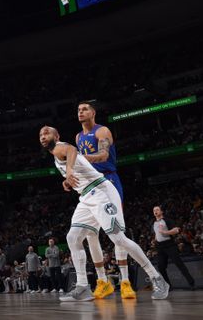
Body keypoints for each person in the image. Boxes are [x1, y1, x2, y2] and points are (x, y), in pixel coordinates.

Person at [37, 126, 169, 302]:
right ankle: (83, 287)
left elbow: (71, 149)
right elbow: (76, 163)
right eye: (40, 135)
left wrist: (68, 171)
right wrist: (69, 181)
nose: (43, 136)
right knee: (73, 237)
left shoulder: (60, 147)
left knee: (118, 239)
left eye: (47, 133)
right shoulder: (55, 155)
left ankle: (157, 278)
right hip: (85, 196)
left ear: (57, 136)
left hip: (100, 191)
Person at [75, 102, 135, 299]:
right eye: (78, 110)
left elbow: (103, 155)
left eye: (84, 109)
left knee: (117, 230)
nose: (81, 112)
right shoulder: (78, 137)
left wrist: (80, 158)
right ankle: (103, 281)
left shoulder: (102, 131)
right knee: (91, 234)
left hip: (108, 181)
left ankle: (125, 282)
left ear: (93, 112)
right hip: (90, 186)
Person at [152, 205, 196, 289]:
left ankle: (192, 283)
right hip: (160, 247)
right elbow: (157, 233)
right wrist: (155, 240)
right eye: (154, 210)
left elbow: (176, 230)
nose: (155, 211)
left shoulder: (167, 220)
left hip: (170, 245)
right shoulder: (154, 223)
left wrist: (165, 232)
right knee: (161, 267)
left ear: (161, 212)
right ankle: (168, 285)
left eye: (157, 210)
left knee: (179, 264)